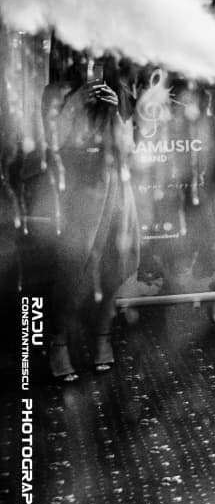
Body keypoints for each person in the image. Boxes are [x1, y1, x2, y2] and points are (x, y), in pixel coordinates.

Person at [37, 48, 140, 383]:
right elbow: (51, 143)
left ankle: (102, 339)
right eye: (85, 56)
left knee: (115, 262)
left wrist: (117, 114)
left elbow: (129, 149)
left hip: (116, 185)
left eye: (98, 58)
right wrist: (74, 105)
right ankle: (58, 343)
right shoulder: (57, 92)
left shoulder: (119, 91)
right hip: (79, 188)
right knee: (74, 267)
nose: (91, 64)